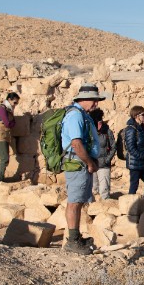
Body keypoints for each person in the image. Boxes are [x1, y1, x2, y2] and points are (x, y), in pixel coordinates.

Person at [61, 83, 106, 254]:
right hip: (78, 163)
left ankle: (76, 237)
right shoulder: (75, 116)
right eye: (94, 100)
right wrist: (89, 162)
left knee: (78, 201)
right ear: (84, 99)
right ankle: (72, 241)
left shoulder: (82, 114)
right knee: (74, 202)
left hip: (81, 163)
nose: (96, 104)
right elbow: (76, 144)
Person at [90, 108, 117, 200]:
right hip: (92, 164)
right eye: (98, 121)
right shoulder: (89, 132)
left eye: (101, 120)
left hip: (104, 165)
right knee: (93, 190)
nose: (100, 123)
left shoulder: (107, 131)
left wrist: (107, 160)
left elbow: (113, 147)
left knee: (104, 191)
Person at [0, 92, 20, 182]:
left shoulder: (8, 109)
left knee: (5, 158)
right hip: (0, 136)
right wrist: (13, 123)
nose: (15, 105)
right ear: (9, 100)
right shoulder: (1, 108)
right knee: (4, 159)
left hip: (5, 136)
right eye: (15, 102)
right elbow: (8, 123)